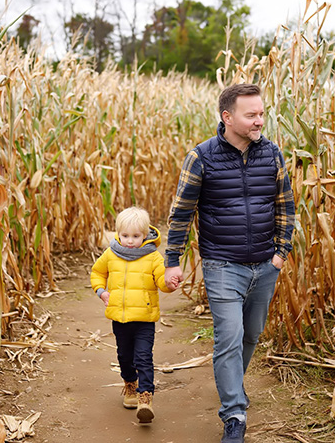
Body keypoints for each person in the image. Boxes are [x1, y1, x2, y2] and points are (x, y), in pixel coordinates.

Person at [164, 83, 295, 443]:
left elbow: (286, 205)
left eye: (261, 113)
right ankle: (234, 412)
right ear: (228, 117)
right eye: (251, 115)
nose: (259, 121)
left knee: (250, 335)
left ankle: (231, 384)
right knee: (230, 337)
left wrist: (280, 253)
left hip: (265, 265)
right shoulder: (202, 157)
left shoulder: (272, 154)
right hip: (223, 265)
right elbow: (181, 213)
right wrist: (172, 260)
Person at [90, 206, 173, 424]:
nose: (129, 241)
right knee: (124, 357)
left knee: (143, 357)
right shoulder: (111, 254)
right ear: (118, 233)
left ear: (145, 235)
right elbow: (97, 272)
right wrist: (101, 290)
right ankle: (130, 385)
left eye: (135, 236)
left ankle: (145, 397)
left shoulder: (153, 257)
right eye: (125, 235)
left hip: (144, 319)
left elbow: (162, 282)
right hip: (120, 318)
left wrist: (170, 283)